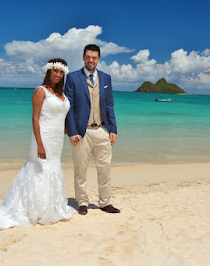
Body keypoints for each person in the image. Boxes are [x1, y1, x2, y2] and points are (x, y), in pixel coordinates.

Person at [0, 58, 76, 231]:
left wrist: (72, 133)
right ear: (49, 72)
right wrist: (39, 143)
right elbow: (35, 118)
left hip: (57, 141)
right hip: (43, 138)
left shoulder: (62, 95)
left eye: (61, 72)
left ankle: (50, 207)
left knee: (52, 168)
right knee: (39, 169)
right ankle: (34, 209)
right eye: (55, 70)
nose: (58, 74)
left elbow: (61, 120)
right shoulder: (41, 91)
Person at [65, 44, 120, 215]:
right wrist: (72, 131)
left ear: (98, 59)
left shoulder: (106, 78)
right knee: (80, 170)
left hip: (103, 130)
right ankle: (82, 202)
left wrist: (113, 129)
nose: (91, 60)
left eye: (94, 57)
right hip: (82, 132)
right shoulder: (73, 78)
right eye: (88, 57)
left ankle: (105, 202)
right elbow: (69, 107)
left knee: (105, 169)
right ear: (83, 57)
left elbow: (109, 105)